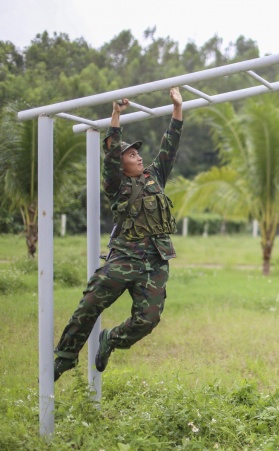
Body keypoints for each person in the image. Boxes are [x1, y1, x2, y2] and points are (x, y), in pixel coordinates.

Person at [53, 87, 184, 381]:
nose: (138, 158)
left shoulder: (155, 177)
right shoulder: (117, 185)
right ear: (122, 166)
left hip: (155, 262)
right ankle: (64, 357)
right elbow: (110, 156)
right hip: (123, 259)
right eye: (132, 155)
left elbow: (171, 144)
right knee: (89, 304)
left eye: (138, 153)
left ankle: (111, 339)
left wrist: (177, 107)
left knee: (148, 320)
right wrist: (115, 115)